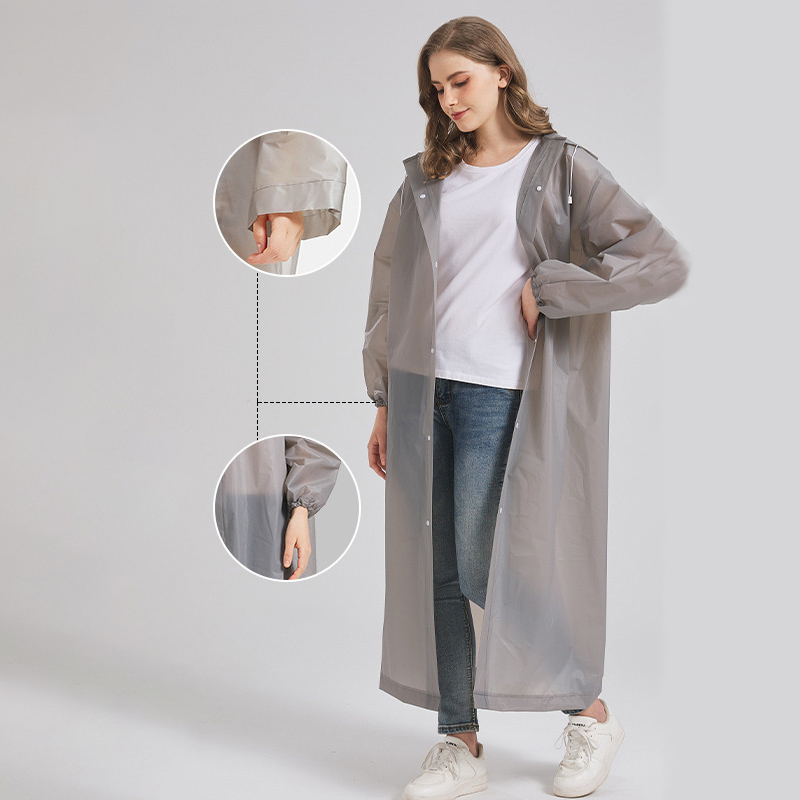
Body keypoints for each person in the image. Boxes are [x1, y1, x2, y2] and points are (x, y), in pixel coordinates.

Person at [362, 15, 689, 800]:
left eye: (461, 81)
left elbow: (659, 260)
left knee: (484, 564)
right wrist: (384, 401)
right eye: (437, 89)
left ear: (502, 72)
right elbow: (390, 290)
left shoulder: (562, 167)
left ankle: (589, 712)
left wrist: (556, 287)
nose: (449, 100)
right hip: (425, 391)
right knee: (440, 571)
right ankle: (459, 740)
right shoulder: (427, 177)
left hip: (498, 392)